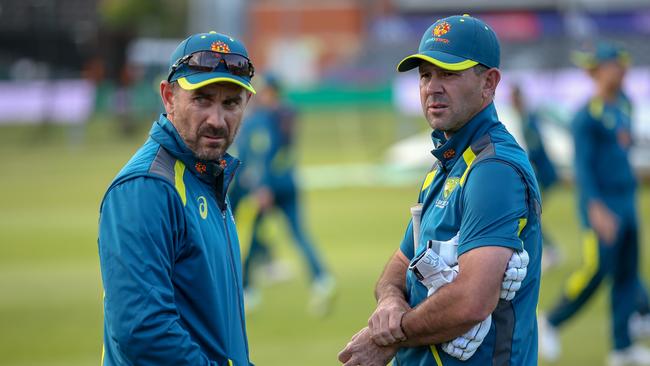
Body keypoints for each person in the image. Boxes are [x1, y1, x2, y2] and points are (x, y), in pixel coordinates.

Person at [338, 14, 542, 366]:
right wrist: (389, 301)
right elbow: (401, 263)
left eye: (449, 73)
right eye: (425, 75)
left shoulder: (494, 170)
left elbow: (472, 301)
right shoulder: (445, 166)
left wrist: (391, 335)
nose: (433, 87)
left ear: (489, 83)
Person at [98, 31, 256, 365]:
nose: (217, 120)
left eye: (230, 103)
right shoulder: (147, 187)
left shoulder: (209, 175)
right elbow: (142, 331)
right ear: (169, 97)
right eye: (202, 99)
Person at [539, 42, 650, 366]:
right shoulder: (585, 117)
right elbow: (583, 169)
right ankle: (551, 321)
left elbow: (624, 151)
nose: (620, 71)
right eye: (613, 65)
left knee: (628, 273)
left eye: (622, 65)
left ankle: (622, 347)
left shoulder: (625, 105)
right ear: (597, 71)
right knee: (598, 270)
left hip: (626, 200)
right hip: (601, 205)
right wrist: (596, 208)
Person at [229, 74, 335, 314]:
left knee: (255, 236)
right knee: (298, 233)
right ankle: (321, 279)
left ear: (270, 92)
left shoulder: (263, 117)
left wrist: (261, 186)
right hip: (288, 182)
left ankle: (247, 290)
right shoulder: (287, 113)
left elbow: (260, 153)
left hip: (268, 187)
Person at [510, 84, 563, 270]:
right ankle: (549, 251)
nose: (513, 103)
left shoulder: (528, 120)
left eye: (514, 99)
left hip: (544, 175)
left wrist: (525, 162)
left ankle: (550, 251)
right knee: (531, 213)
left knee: (532, 212)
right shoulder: (526, 118)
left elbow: (536, 148)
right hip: (543, 174)